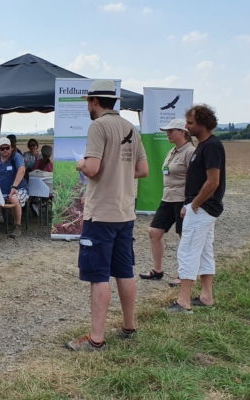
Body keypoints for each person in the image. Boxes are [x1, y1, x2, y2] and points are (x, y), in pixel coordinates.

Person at [67, 80, 148, 351]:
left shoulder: (98, 126)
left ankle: (96, 339)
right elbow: (143, 169)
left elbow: (92, 168)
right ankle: (129, 326)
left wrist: (80, 163)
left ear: (94, 101)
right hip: (125, 212)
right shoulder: (130, 128)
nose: (88, 107)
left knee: (98, 275)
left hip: (101, 213)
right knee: (125, 271)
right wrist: (119, 172)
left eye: (88, 102)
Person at [168, 104, 226, 314]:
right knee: (204, 251)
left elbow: (213, 182)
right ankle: (206, 296)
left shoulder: (210, 146)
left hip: (202, 208)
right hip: (204, 208)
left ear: (202, 123)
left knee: (188, 250)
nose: (187, 126)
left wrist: (193, 205)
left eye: (190, 123)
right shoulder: (204, 145)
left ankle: (183, 301)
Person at [139, 119, 194, 283]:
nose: (167, 134)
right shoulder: (172, 152)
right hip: (168, 198)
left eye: (171, 131)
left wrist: (189, 203)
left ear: (183, 132)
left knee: (183, 236)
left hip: (182, 199)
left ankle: (185, 274)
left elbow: (195, 179)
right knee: (154, 232)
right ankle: (157, 270)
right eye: (167, 131)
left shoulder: (190, 152)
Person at [0, 137, 29, 238]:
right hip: (1, 191)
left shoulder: (16, 156)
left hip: (19, 189)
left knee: (14, 198)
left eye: (7, 147)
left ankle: (17, 226)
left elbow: (22, 170)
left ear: (11, 147)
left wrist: (14, 187)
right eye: (2, 148)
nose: (5, 150)